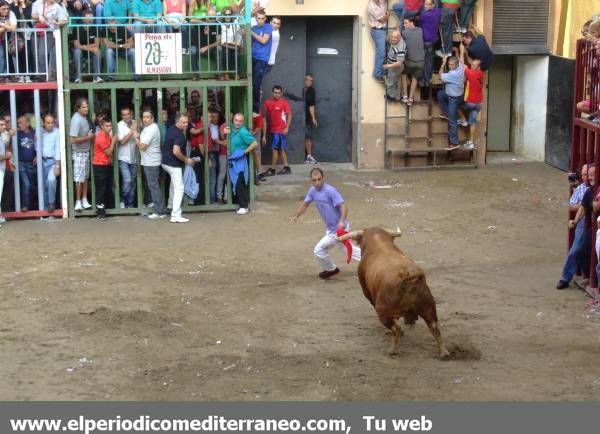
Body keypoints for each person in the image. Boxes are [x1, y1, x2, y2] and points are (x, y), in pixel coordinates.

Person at [290, 167, 361, 279]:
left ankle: (332, 269)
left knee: (320, 250)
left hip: (339, 229)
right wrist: (296, 216)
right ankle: (332, 269)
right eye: (314, 180)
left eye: (319, 179)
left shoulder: (330, 191)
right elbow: (305, 204)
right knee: (347, 250)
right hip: (331, 229)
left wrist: (341, 222)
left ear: (323, 178)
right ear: (311, 180)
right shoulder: (312, 191)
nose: (317, 183)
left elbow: (343, 206)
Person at [558, 165, 595, 289]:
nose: (587, 177)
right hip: (585, 219)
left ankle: (590, 277)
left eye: (589, 175)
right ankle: (566, 277)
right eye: (585, 175)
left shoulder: (592, 189)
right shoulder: (583, 189)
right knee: (577, 249)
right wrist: (575, 219)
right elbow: (576, 206)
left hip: (593, 220)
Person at [162, 113, 195, 223]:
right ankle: (175, 215)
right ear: (178, 122)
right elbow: (176, 151)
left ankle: (171, 205)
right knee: (179, 188)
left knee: (174, 185)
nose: (186, 124)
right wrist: (187, 160)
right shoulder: (180, 135)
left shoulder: (171, 128)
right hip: (173, 164)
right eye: (183, 122)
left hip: (165, 162)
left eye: (187, 122)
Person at [135, 109, 167, 219]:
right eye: (144, 117)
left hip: (151, 162)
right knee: (153, 186)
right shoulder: (149, 128)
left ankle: (159, 211)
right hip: (151, 161)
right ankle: (160, 210)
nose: (145, 119)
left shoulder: (151, 129)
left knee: (153, 187)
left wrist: (135, 137)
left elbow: (142, 146)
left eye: (148, 117)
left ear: (152, 118)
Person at [222, 112, 257, 215]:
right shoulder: (232, 129)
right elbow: (225, 141)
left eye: (240, 121)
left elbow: (254, 143)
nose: (237, 123)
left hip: (240, 161)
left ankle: (244, 206)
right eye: (236, 120)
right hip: (233, 160)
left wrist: (244, 152)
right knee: (234, 182)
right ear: (233, 120)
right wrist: (225, 133)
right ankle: (238, 204)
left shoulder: (243, 131)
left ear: (243, 122)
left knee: (239, 183)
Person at [31, 0, 68, 81]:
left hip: (49, 31)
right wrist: (39, 17)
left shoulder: (57, 7)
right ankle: (37, 74)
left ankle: (42, 75)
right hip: (36, 30)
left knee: (42, 53)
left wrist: (57, 23)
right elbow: (32, 16)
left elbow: (64, 20)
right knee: (35, 53)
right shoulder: (37, 3)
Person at [69, 97, 94, 212]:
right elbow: (72, 140)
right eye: (84, 107)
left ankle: (84, 200)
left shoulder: (85, 117)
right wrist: (88, 138)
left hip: (85, 151)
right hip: (78, 153)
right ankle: (78, 202)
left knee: (84, 177)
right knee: (79, 179)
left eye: (87, 106)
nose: (86, 109)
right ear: (78, 108)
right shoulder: (76, 119)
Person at [261, 85, 292, 176]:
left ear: (281, 93)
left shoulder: (284, 103)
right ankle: (286, 168)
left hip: (280, 131)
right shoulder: (268, 102)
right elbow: (263, 115)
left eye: (279, 93)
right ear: (272, 93)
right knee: (280, 149)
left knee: (275, 149)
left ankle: (272, 169)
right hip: (273, 130)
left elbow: (289, 115)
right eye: (275, 92)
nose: (277, 94)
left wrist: (287, 128)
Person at [459, 43, 483, 150]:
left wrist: (461, 51)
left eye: (474, 66)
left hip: (471, 103)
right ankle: (471, 142)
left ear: (477, 68)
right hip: (478, 104)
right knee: (473, 123)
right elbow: (470, 63)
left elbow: (462, 64)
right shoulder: (480, 73)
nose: (471, 66)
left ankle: (463, 119)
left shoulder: (471, 74)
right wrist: (466, 53)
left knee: (456, 104)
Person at [437, 55, 464, 151]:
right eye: (448, 64)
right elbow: (461, 59)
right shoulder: (461, 67)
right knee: (440, 94)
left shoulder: (453, 74)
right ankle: (447, 113)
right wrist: (457, 51)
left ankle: (454, 143)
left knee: (452, 122)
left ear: (456, 65)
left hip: (454, 99)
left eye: (452, 65)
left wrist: (443, 63)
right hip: (458, 94)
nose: (449, 66)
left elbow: (440, 75)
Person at [92, 117, 116, 219]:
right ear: (101, 126)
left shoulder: (106, 135)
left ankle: (106, 209)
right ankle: (100, 213)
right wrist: (114, 141)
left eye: (110, 125)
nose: (109, 128)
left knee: (106, 187)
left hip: (105, 164)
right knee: (101, 189)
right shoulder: (101, 137)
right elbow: (108, 152)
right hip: (99, 166)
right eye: (107, 126)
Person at [71, 8, 102, 83]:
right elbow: (76, 45)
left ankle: (96, 77)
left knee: (97, 51)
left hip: (89, 50)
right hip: (81, 50)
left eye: (91, 17)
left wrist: (85, 47)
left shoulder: (96, 28)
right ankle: (78, 77)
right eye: (88, 18)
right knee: (77, 51)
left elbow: (96, 44)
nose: (90, 20)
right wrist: (90, 48)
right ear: (83, 19)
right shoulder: (77, 28)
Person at [250, 9, 272, 111]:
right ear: (256, 19)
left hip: (261, 60)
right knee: (249, 82)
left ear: (265, 19)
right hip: (252, 57)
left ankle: (255, 108)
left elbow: (264, 40)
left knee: (256, 84)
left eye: (263, 18)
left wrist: (251, 32)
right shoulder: (253, 28)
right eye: (258, 18)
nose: (261, 20)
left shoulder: (268, 27)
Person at [117, 106, 138, 208]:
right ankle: (122, 199)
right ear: (121, 116)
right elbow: (122, 141)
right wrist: (131, 132)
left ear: (131, 114)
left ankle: (130, 205)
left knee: (133, 183)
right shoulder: (119, 125)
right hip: (123, 158)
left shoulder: (136, 122)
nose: (126, 116)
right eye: (124, 115)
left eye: (127, 114)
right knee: (127, 180)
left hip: (134, 158)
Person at [400, 17, 424, 106]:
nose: (404, 25)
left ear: (411, 23)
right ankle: (410, 99)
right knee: (415, 78)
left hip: (410, 61)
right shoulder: (420, 30)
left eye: (406, 23)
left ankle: (405, 96)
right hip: (421, 61)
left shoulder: (404, 32)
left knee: (403, 74)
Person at [40, 113, 61, 213]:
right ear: (43, 123)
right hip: (41, 161)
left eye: (52, 122)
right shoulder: (39, 131)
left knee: (51, 180)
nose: (51, 125)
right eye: (48, 123)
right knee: (43, 185)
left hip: (52, 161)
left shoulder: (57, 132)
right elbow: (36, 145)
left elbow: (58, 148)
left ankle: (51, 202)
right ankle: (44, 209)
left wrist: (57, 165)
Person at [16, 115, 37, 211]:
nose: (19, 125)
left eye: (21, 122)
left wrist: (37, 156)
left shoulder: (34, 133)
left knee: (32, 186)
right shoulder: (18, 134)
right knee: (26, 184)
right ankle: (25, 205)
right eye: (18, 123)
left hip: (32, 164)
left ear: (27, 123)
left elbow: (39, 146)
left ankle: (32, 204)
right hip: (21, 164)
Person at [419, 0, 441, 87]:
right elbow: (438, 8)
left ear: (432, 5)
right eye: (426, 4)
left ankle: (423, 80)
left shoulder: (424, 15)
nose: (426, 6)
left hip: (425, 40)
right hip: (432, 40)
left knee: (424, 61)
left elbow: (420, 18)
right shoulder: (438, 12)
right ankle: (427, 80)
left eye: (428, 5)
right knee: (429, 60)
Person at [367, 0, 388, 83]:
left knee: (385, 52)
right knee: (381, 53)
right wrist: (388, 15)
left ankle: (383, 72)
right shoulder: (371, 6)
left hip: (384, 30)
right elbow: (382, 19)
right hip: (377, 31)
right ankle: (377, 74)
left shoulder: (381, 1)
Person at [383, 30, 406, 101]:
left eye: (395, 37)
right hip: (394, 66)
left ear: (399, 38)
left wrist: (388, 66)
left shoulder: (400, 48)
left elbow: (399, 63)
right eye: (392, 37)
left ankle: (391, 96)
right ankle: (397, 96)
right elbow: (397, 31)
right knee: (397, 81)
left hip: (395, 68)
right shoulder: (398, 38)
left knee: (390, 82)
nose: (393, 38)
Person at [0, 117, 13, 225]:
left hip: (3, 168)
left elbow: (6, 144)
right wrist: (6, 156)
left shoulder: (1, 137)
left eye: (4, 124)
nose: (4, 127)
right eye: (2, 125)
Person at [0, 0, 17, 79]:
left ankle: (4, 76)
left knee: (4, 57)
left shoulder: (11, 13)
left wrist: (2, 25)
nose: (6, 11)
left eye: (7, 8)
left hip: (6, 39)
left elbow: (13, 28)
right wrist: (5, 26)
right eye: (3, 9)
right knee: (2, 57)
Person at [303, 73, 318, 163]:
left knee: (308, 136)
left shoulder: (312, 91)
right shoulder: (300, 89)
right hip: (298, 117)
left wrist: (313, 118)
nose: (309, 82)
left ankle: (308, 156)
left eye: (311, 80)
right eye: (307, 80)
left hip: (307, 118)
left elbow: (311, 105)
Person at [251, 111, 265, 184]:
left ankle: (259, 173)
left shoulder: (258, 116)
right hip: (250, 135)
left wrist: (264, 136)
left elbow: (261, 125)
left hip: (254, 135)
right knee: (256, 153)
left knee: (256, 153)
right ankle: (258, 173)